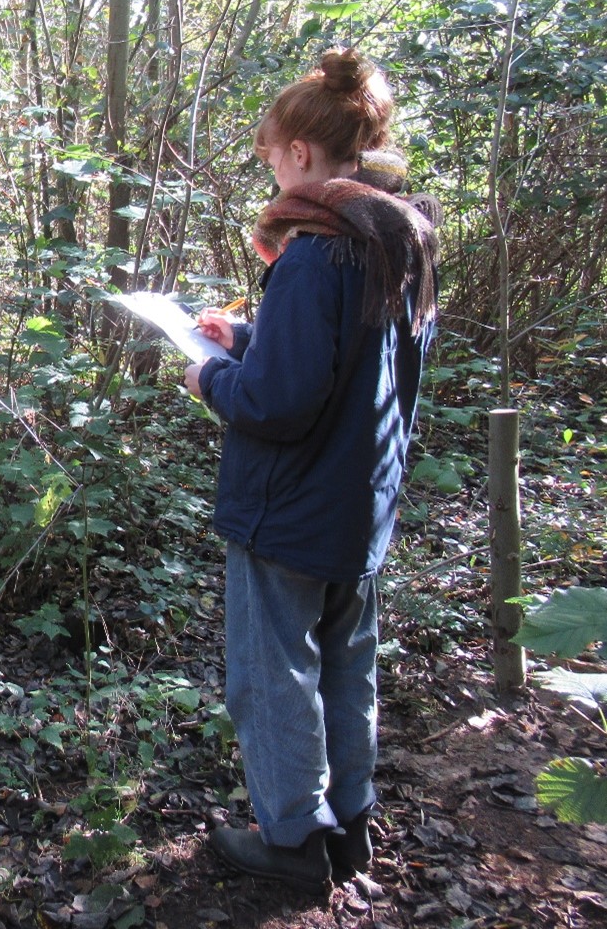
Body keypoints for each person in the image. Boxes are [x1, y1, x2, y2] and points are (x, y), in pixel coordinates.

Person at [183, 49, 439, 894]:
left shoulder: (311, 252)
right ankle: (349, 825)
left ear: (299, 151)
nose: (267, 168)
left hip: (287, 507)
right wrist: (248, 339)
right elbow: (352, 367)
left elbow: (280, 404)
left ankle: (294, 837)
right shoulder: (394, 243)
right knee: (345, 661)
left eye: (266, 154)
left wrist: (208, 376)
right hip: (355, 502)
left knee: (272, 674)